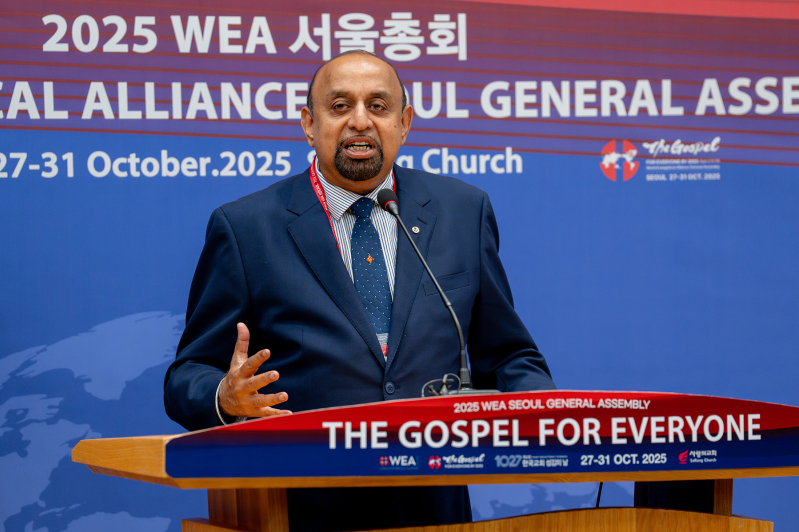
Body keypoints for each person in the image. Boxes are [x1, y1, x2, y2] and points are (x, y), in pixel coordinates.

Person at [164, 50, 555, 531]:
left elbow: (509, 355)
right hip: (301, 508)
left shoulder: (462, 212)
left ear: (405, 122)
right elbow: (187, 374)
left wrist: (547, 413)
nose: (360, 121)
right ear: (309, 124)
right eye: (340, 105)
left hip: (433, 509)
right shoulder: (246, 228)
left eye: (378, 105)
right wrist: (224, 396)